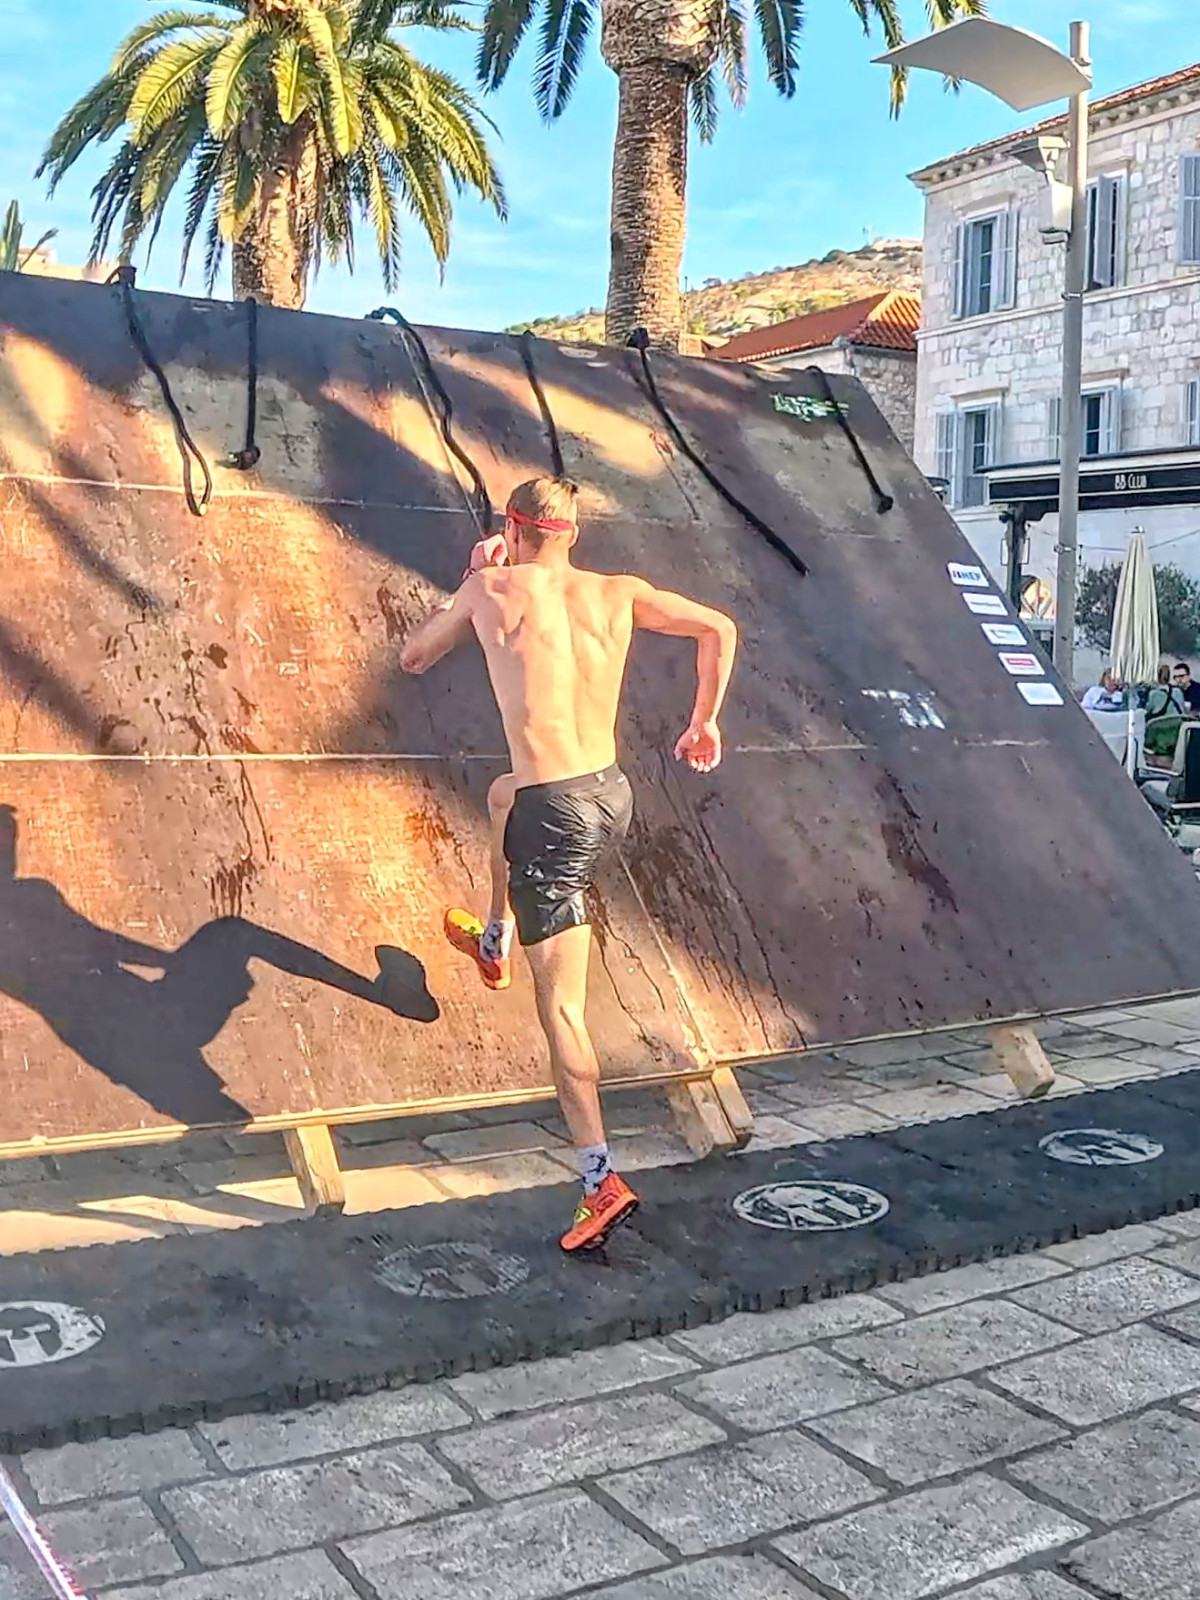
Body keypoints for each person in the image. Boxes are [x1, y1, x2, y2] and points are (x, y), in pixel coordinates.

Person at [400, 476, 738, 1252]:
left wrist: (471, 578)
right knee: (501, 795)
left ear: (511, 528)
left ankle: (598, 1182)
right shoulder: (619, 591)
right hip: (607, 794)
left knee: (563, 1013)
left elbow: (414, 656)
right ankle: (494, 937)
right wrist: (704, 723)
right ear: (573, 534)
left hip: (554, 820)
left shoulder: (490, 588)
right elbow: (717, 626)